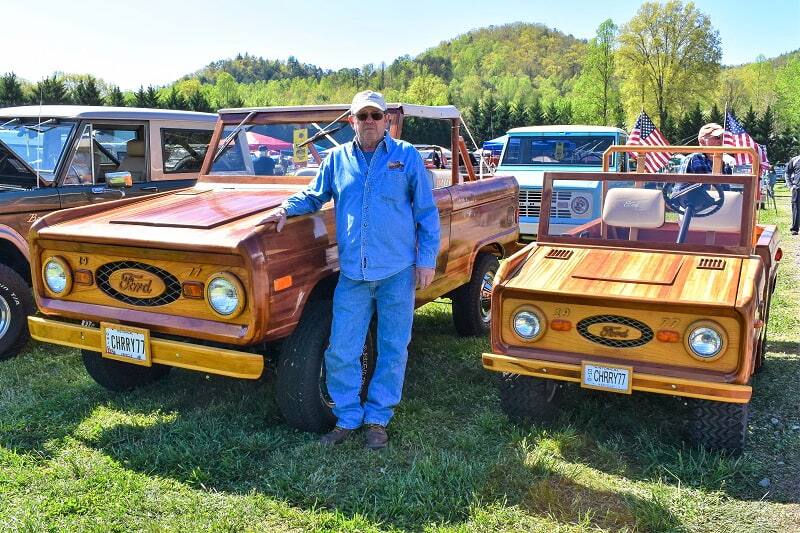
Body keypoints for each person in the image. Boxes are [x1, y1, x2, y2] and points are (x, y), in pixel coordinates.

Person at [258, 90, 440, 449]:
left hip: (397, 271)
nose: (369, 121)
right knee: (341, 349)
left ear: (387, 120)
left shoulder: (406, 157)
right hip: (353, 274)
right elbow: (314, 195)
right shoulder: (336, 159)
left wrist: (426, 260)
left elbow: (426, 212)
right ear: (351, 121)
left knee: (392, 347)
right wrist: (285, 209)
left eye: (376, 115)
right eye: (363, 116)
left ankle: (377, 419)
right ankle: (346, 418)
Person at [785, 153, 800, 235]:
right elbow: (787, 173)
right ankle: (795, 228)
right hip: (797, 189)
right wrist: (790, 186)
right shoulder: (795, 159)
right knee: (796, 209)